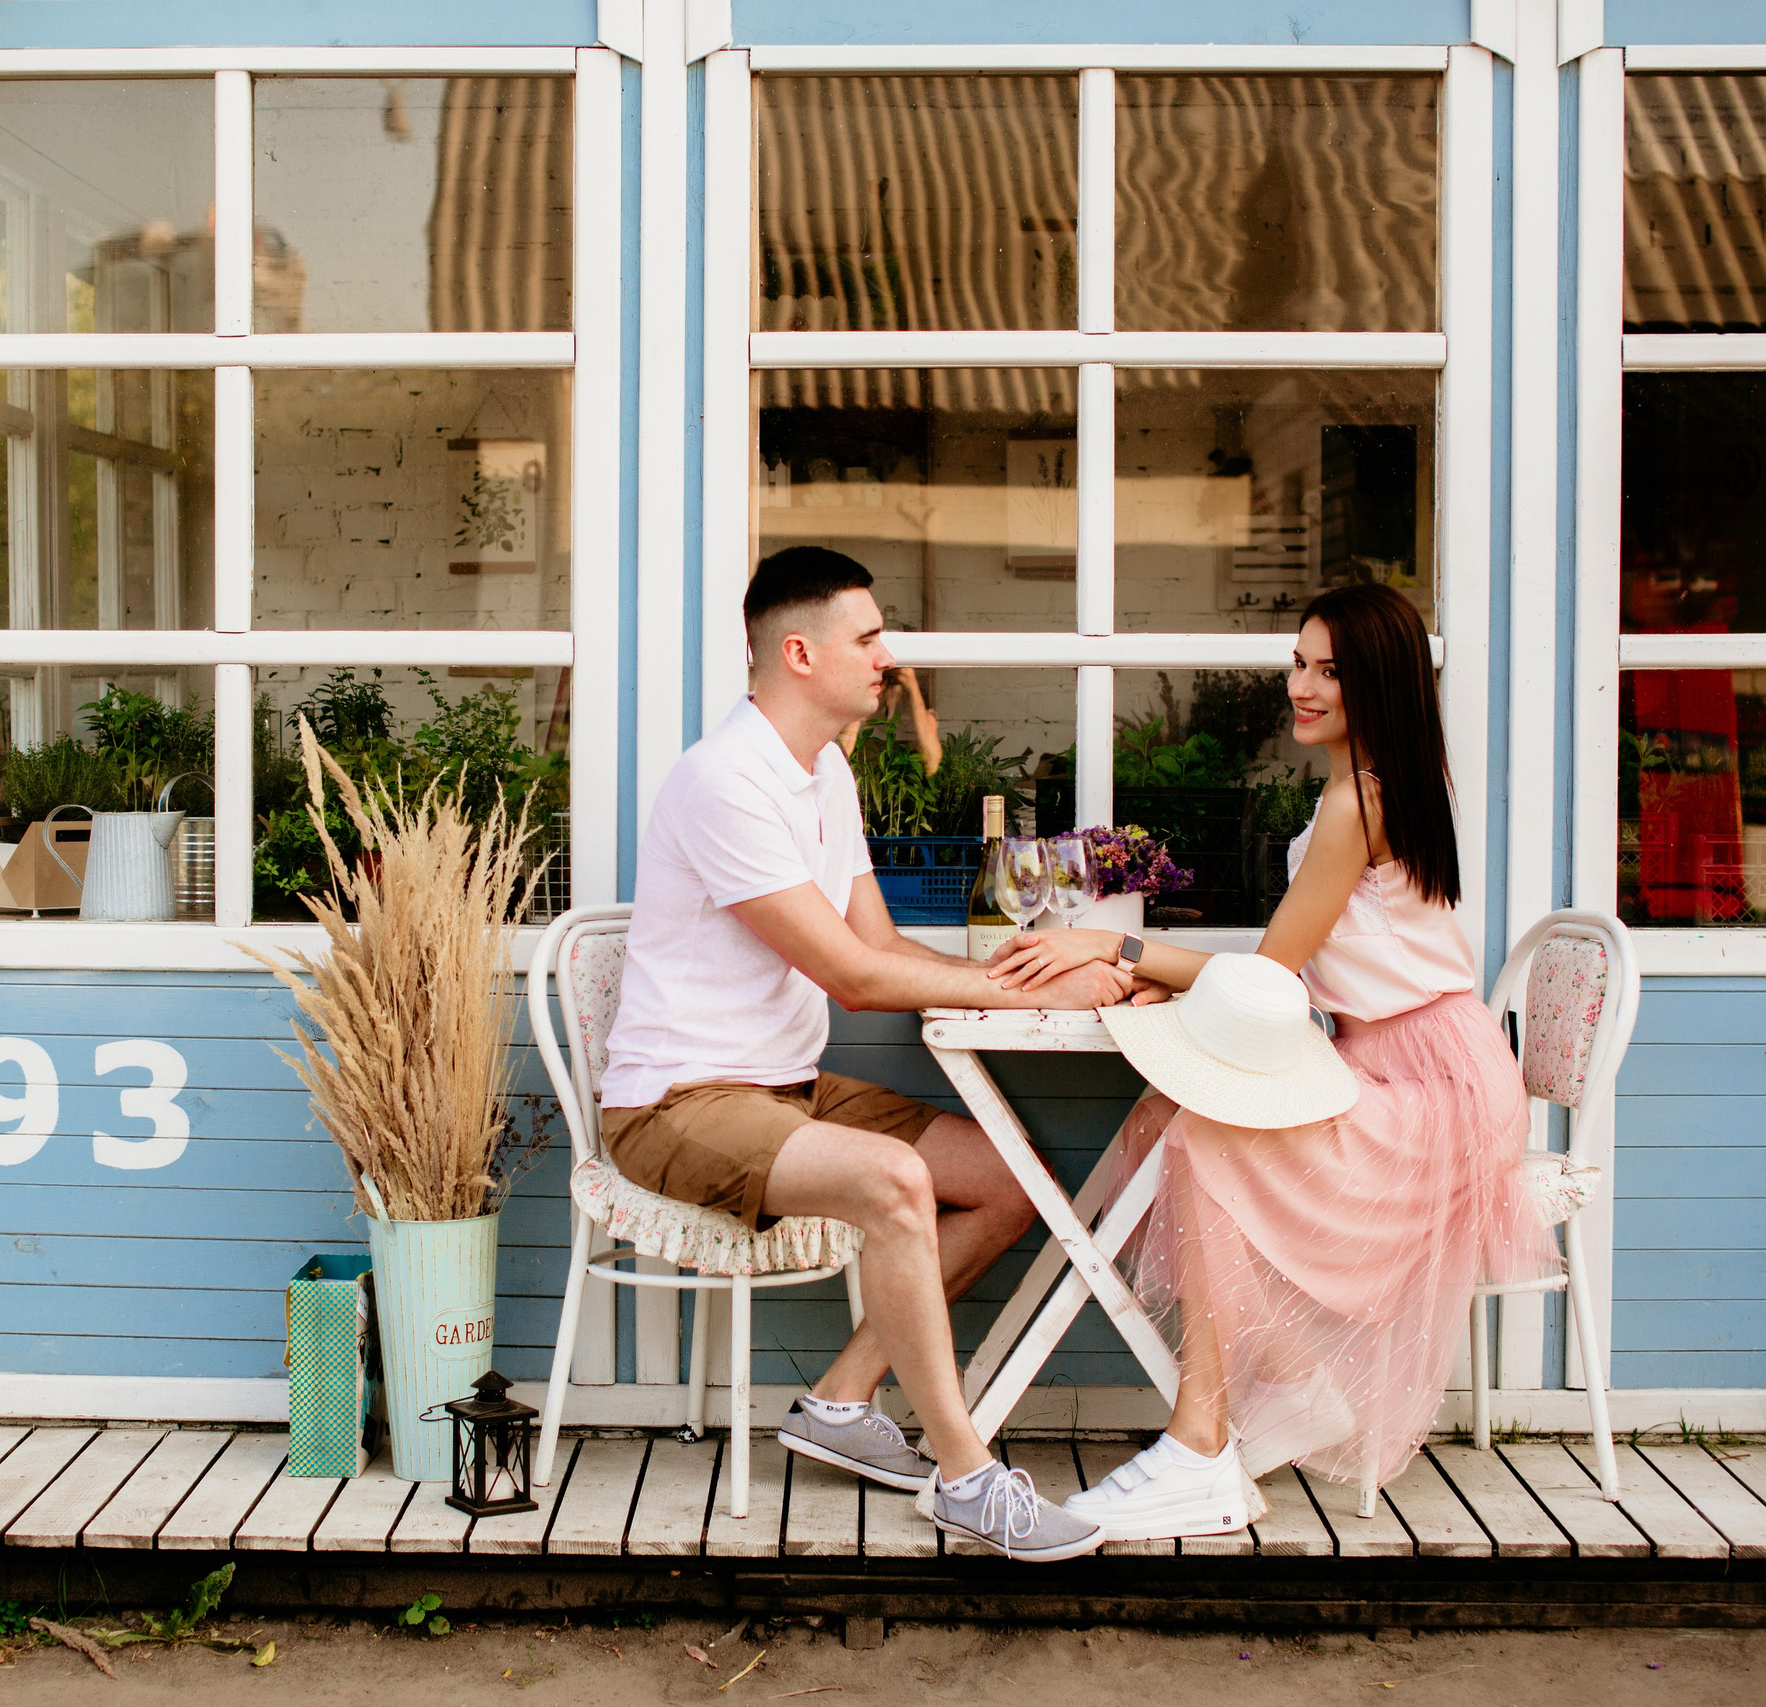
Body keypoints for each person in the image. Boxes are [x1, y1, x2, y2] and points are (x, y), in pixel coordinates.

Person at [983, 583, 1555, 1540]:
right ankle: (1284, 1379)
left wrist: (1114, 950)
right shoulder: (1384, 784)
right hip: (1404, 1061)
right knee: (1170, 1119)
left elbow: (1269, 976)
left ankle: (1201, 1442)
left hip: (1433, 1088)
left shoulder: (1355, 802)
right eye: (1299, 662)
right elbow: (1289, 976)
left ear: (1382, 684)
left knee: (1205, 1138)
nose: (1304, 684)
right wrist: (1157, 969)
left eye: (1331, 669)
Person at [600, 544, 1133, 1561]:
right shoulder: (725, 782)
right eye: (870, 638)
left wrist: (1022, 973)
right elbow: (852, 978)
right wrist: (1023, 987)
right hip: (674, 1104)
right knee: (895, 1180)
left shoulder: (822, 771)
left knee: (1006, 1179)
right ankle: (968, 1479)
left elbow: (881, 945)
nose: (887, 658)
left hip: (785, 1092)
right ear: (798, 653)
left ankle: (841, 1403)